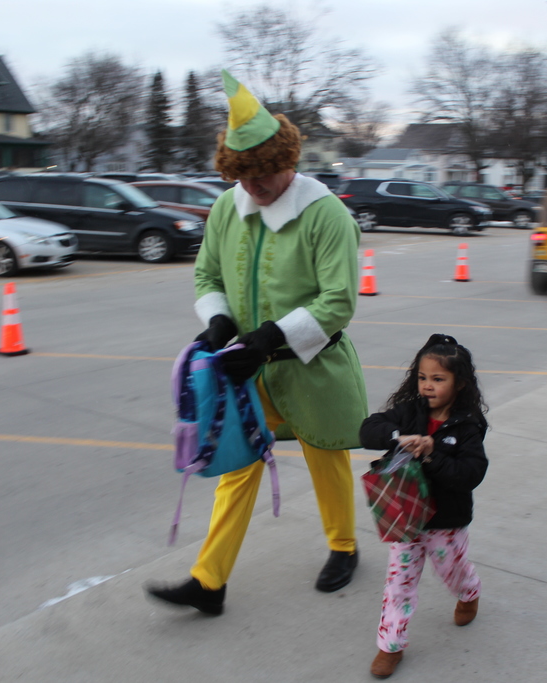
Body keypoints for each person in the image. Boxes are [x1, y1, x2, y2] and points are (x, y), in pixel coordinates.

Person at [145, 70, 368, 615]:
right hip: (245, 369)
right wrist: (219, 322)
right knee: (238, 467)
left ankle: (344, 546)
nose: (252, 187)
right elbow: (207, 277)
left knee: (326, 457)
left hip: (309, 364)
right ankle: (209, 582)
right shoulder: (227, 208)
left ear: (286, 160)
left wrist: (270, 337)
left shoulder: (326, 214)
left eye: (262, 174)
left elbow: (339, 300)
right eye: (242, 177)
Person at [359, 334, 489, 679]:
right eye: (422, 377)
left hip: (446, 521)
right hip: (406, 518)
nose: (427, 386)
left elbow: (470, 473)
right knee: (399, 584)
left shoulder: (467, 426)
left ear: (459, 383)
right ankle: (391, 645)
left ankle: (469, 592)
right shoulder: (410, 412)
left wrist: (432, 455)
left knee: (453, 572)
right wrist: (396, 438)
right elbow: (368, 429)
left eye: (438, 379)